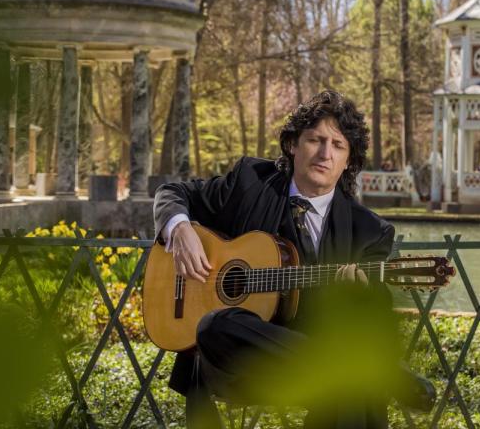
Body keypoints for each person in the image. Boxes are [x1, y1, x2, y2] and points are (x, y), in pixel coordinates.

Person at [153, 90, 434, 428]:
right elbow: (173, 192)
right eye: (315, 140)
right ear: (293, 145)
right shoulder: (249, 182)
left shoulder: (369, 231)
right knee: (214, 324)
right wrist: (180, 229)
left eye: (338, 146)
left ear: (349, 160)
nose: (325, 154)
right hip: (240, 364)